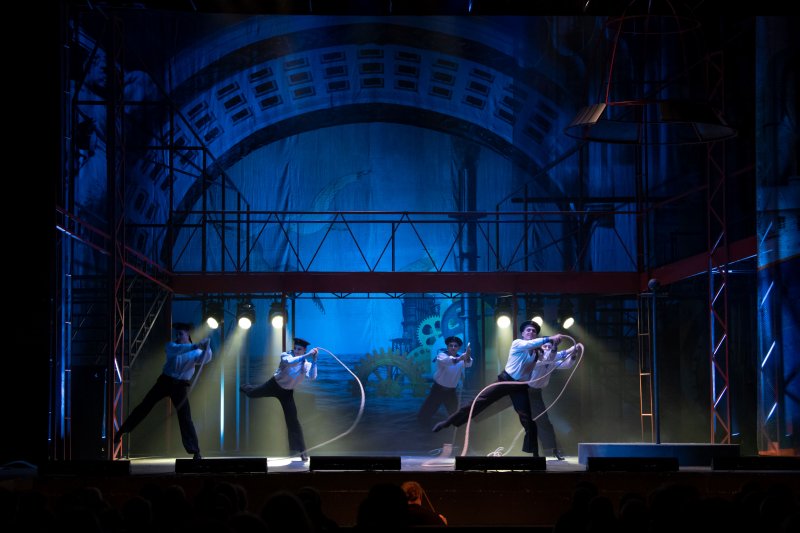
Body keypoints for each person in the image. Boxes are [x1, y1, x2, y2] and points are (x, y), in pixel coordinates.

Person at [432, 320, 562, 457]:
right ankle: (448, 422)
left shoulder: (537, 351)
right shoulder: (518, 343)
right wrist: (550, 338)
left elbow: (549, 359)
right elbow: (529, 344)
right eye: (528, 330)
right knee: (478, 402)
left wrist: (554, 346)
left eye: (534, 331)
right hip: (505, 380)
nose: (531, 332)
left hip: (519, 386)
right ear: (523, 333)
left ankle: (535, 453)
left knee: (528, 419)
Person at [114, 322, 212, 460]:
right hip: (165, 382)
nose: (178, 336)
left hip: (180, 387)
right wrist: (197, 345)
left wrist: (207, 348)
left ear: (187, 335)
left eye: (180, 334)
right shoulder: (171, 346)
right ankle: (122, 431)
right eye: (177, 334)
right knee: (145, 405)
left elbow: (205, 358)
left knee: (185, 418)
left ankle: (195, 451)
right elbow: (179, 350)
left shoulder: (195, 352)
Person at [240, 337, 319, 461]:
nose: (296, 351)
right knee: (252, 394)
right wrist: (308, 355)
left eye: (299, 349)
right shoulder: (286, 355)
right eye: (295, 348)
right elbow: (290, 362)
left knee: (293, 421)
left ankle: (302, 451)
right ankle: (245, 387)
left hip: (287, 393)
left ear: (304, 350)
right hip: (274, 385)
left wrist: (314, 360)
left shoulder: (305, 364)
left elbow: (312, 376)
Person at [528, 340, 584, 460]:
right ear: (540, 349)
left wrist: (573, 354)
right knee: (532, 421)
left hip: (535, 394)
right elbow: (550, 358)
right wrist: (570, 349)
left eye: (550, 347)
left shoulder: (551, 362)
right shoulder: (536, 359)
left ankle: (550, 450)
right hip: (524, 391)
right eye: (545, 346)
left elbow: (567, 365)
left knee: (542, 422)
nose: (548, 348)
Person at [417, 336, 472, 429]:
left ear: (458, 347)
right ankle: (422, 428)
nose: (453, 348)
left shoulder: (461, 356)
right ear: (447, 346)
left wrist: (468, 356)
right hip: (438, 389)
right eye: (451, 345)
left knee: (455, 414)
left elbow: (469, 364)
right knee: (425, 413)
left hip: (451, 391)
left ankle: (458, 430)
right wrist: (461, 358)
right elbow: (449, 361)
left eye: (455, 346)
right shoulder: (441, 355)